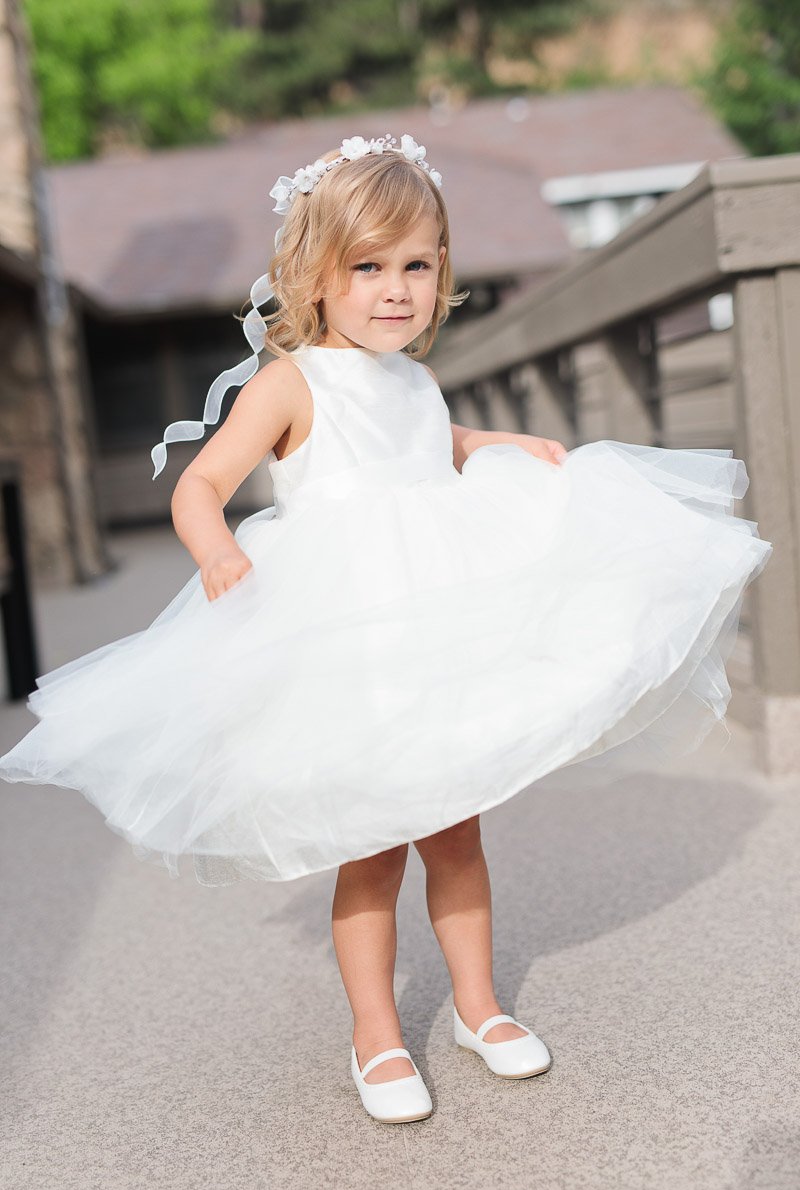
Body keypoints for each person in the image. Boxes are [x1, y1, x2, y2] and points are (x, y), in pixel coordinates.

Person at [0, 133, 772, 1124]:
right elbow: (202, 482)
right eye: (368, 268)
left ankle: (478, 1007)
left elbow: (431, 443)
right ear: (316, 276)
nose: (395, 290)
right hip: (347, 642)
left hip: (434, 635)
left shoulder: (413, 376)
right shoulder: (291, 380)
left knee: (455, 829)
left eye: (416, 265)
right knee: (368, 844)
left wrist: (499, 443)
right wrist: (217, 553)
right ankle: (373, 1031)